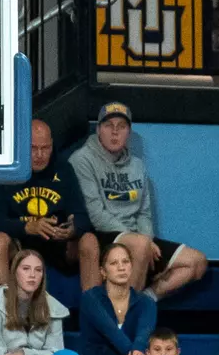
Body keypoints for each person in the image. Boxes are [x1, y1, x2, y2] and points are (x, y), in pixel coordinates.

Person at [69, 103, 208, 299]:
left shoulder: (137, 165)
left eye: (121, 126)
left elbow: (144, 212)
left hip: (136, 238)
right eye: (109, 125)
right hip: (101, 235)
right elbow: (96, 214)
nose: (115, 132)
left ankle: (144, 300)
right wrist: (139, 241)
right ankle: (124, 316)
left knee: (197, 262)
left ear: (129, 132)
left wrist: (148, 240)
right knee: (140, 245)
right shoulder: (82, 159)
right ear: (99, 129)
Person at [0, 119, 97, 289]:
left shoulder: (63, 169)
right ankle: (4, 306)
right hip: (20, 242)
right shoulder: (6, 169)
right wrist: (27, 226)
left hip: (57, 243)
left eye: (45, 148)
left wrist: (73, 229)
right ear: (21, 145)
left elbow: (82, 216)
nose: (39, 155)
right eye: (33, 148)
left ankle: (93, 307)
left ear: (52, 145)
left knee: (89, 240)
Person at [79, 243, 155, 355]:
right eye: (114, 263)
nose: (121, 267)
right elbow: (111, 331)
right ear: (103, 271)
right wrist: (136, 354)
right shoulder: (91, 299)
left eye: (125, 262)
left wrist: (138, 349)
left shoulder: (146, 303)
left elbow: (144, 333)